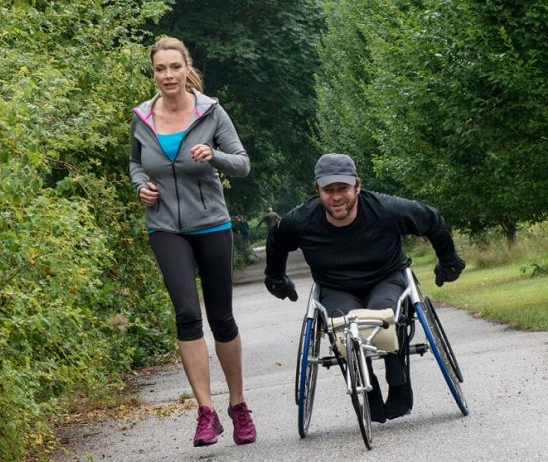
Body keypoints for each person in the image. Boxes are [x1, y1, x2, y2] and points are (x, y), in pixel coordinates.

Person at [264, 153, 465, 423]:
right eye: (328, 190)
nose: (336, 197)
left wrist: (449, 261)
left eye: (343, 189)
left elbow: (431, 219)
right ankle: (367, 393)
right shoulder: (301, 220)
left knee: (382, 317)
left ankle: (397, 379)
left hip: (386, 277)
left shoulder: (386, 209)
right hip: (336, 286)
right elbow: (277, 241)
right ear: (317, 190)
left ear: (357, 186)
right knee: (344, 327)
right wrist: (276, 278)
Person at [129, 37, 256, 447]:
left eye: (173, 67)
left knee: (221, 318)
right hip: (165, 226)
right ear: (154, 73)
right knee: (186, 314)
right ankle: (206, 413)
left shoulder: (211, 112)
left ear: (186, 69)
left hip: (211, 225)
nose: (167, 75)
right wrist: (140, 188)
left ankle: (238, 406)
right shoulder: (142, 117)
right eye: (160, 69)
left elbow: (242, 164)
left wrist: (213, 156)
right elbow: (135, 163)